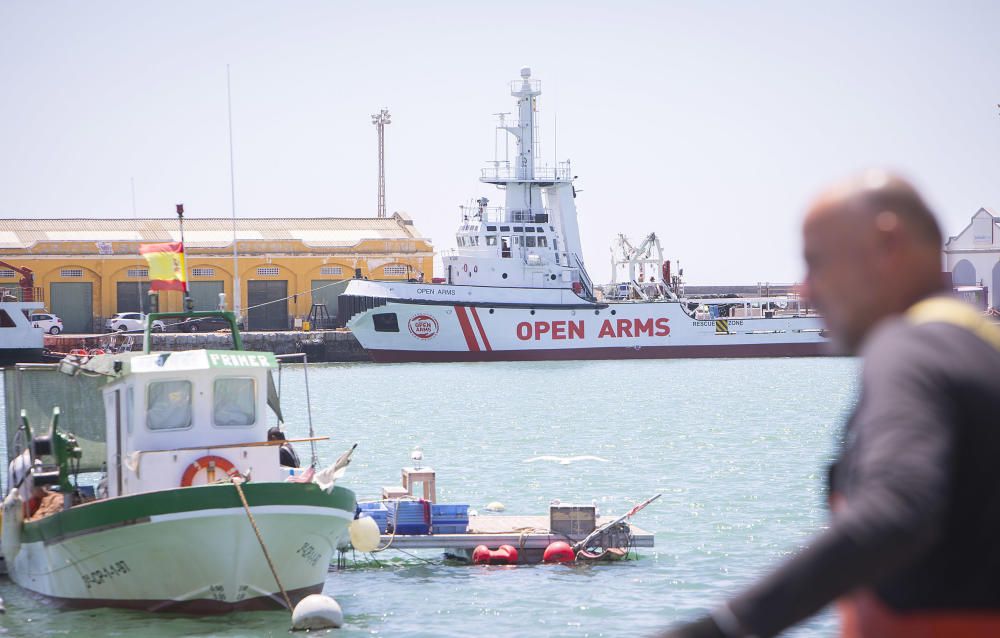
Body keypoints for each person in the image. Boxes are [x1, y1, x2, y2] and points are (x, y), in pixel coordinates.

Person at [660, 171, 1000, 637]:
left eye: (817, 263)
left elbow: (898, 507)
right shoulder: (980, 351)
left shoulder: (910, 351)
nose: (805, 290)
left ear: (888, 245)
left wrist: (726, 627)